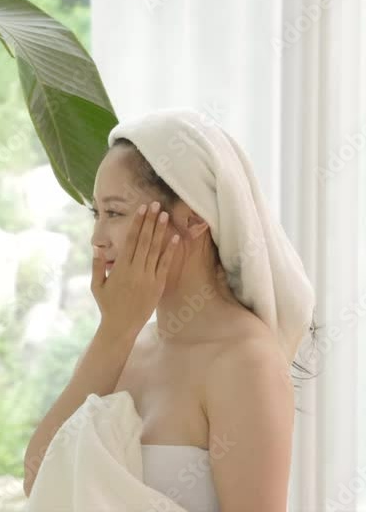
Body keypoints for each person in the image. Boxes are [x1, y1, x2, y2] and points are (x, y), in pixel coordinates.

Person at [23, 108, 316, 511]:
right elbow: (39, 480)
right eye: (96, 214)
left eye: (115, 213)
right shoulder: (123, 345)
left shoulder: (245, 361)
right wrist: (115, 329)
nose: (98, 238)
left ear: (193, 219)